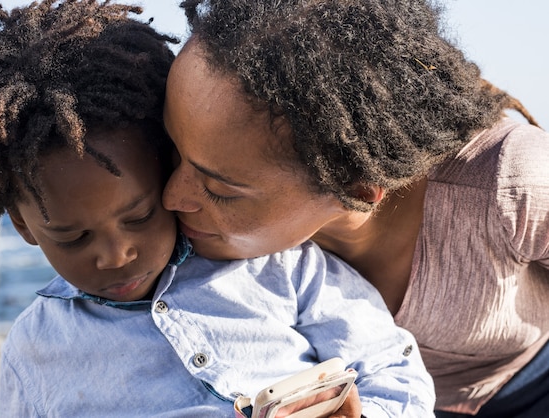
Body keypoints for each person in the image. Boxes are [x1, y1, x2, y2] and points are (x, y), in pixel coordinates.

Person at [0, 1, 436, 416]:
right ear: (25, 227)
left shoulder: (279, 269)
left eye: (139, 215)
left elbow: (392, 367)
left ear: (166, 173)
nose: (116, 254)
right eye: (73, 237)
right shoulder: (33, 351)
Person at [161, 0, 549, 416]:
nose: (168, 197)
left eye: (219, 187)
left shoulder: (511, 185)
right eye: (169, 148)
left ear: (358, 186)